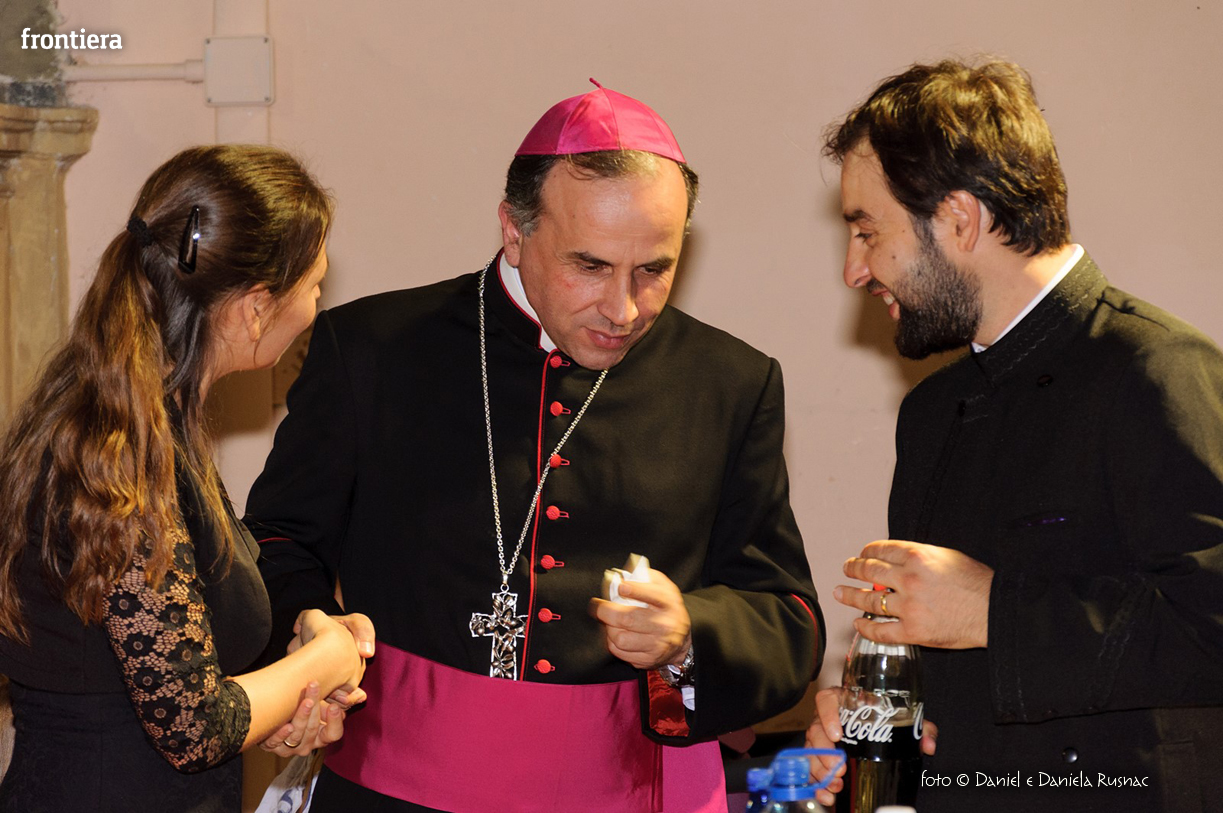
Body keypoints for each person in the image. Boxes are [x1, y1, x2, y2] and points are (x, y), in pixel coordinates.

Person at [244, 80, 824, 813]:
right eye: (590, 265)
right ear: (514, 232)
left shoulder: (729, 383)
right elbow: (277, 540)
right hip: (390, 791)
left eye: (654, 269)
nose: (623, 308)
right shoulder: (370, 350)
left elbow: (786, 617)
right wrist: (306, 627)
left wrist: (686, 637)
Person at [805, 59, 1223, 812]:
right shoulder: (933, 410)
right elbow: (962, 677)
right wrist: (881, 713)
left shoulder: (1158, 369)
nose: (853, 270)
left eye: (867, 232)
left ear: (959, 219)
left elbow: (1210, 625)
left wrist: (990, 610)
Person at [0, 145, 374, 813]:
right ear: (255, 307)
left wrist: (290, 689)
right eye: (314, 285)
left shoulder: (147, 421)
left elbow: (168, 674)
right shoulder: (119, 454)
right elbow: (192, 727)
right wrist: (331, 657)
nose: (317, 305)